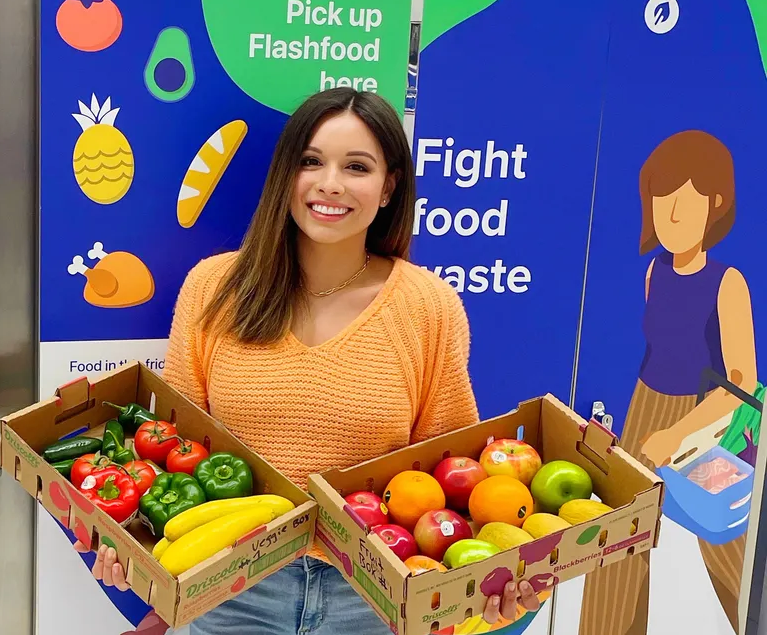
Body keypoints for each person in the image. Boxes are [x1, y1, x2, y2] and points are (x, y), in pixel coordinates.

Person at [74, 88, 541, 633]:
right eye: (311, 162)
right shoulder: (214, 289)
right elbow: (167, 445)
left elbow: (452, 472)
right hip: (226, 587)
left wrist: (478, 592)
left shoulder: (428, 306)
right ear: (285, 176)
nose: (330, 184)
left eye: (357, 167)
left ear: (389, 187)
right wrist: (141, 556)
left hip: (371, 597)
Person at [579, 129, 758, 635]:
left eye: (685, 201)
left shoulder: (728, 282)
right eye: (662, 199)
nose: (671, 214)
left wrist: (678, 435)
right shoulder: (655, 271)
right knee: (617, 541)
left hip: (707, 420)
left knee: (727, 543)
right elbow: (657, 349)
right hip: (645, 408)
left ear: (716, 205)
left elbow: (742, 380)